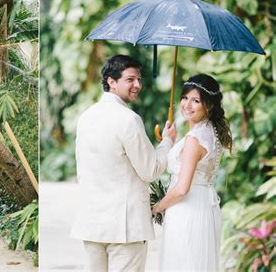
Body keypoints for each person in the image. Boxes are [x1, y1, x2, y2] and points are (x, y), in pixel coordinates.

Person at [70, 54, 177, 272]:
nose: (137, 85)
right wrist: (167, 142)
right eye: (130, 79)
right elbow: (150, 170)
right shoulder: (129, 119)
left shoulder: (85, 117)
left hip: (92, 223)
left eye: (139, 79)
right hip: (125, 227)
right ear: (111, 81)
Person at [152, 74, 232, 271]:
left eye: (195, 100)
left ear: (209, 105)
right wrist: (169, 139)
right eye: (185, 98)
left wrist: (157, 207)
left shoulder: (194, 139)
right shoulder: (211, 133)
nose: (187, 105)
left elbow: (181, 189)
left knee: (183, 263)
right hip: (205, 206)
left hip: (187, 210)